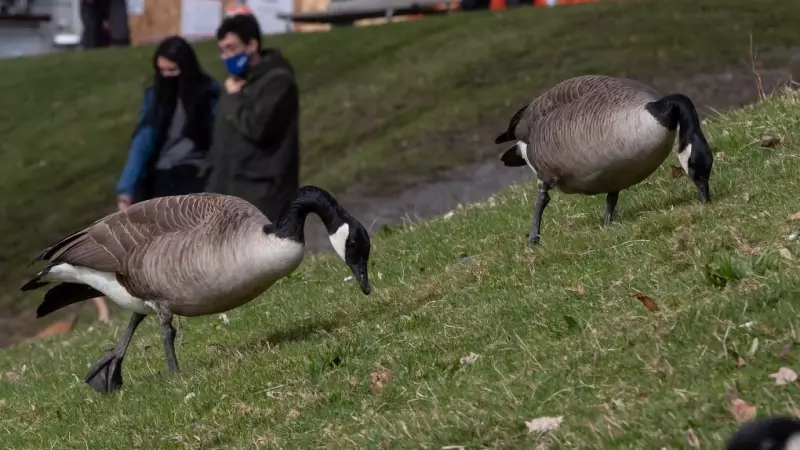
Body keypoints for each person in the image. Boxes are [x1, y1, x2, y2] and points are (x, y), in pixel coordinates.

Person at [205, 13, 300, 222]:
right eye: (222, 51)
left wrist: (234, 98)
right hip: (227, 193)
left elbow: (258, 128)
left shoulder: (277, 82)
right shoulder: (237, 83)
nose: (226, 57)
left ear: (252, 45)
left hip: (261, 197)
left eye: (231, 48)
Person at [116, 35, 221, 210]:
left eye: (172, 70)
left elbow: (220, 137)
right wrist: (126, 190)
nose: (167, 76)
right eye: (162, 71)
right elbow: (142, 142)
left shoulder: (208, 93)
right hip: (162, 173)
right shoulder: (156, 97)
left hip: (196, 173)